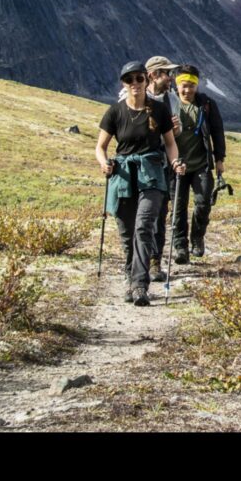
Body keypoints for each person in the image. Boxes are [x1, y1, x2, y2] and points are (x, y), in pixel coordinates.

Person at [96, 61, 186, 306]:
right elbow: (100, 147)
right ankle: (130, 277)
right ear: (124, 83)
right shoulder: (115, 112)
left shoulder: (158, 110)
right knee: (126, 233)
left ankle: (139, 285)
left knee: (144, 227)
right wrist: (104, 163)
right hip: (123, 176)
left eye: (138, 78)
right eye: (129, 80)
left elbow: (169, 142)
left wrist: (176, 162)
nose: (134, 83)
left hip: (152, 174)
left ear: (146, 80)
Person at [117, 56, 182, 282]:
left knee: (159, 214)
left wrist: (176, 130)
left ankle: (154, 261)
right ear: (153, 75)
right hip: (137, 166)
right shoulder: (131, 97)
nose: (171, 78)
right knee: (137, 217)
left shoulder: (172, 99)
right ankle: (134, 264)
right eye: (166, 73)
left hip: (162, 164)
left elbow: (174, 136)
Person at [170, 64, 226, 264]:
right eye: (184, 86)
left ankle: (197, 238)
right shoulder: (169, 104)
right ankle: (180, 247)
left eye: (191, 86)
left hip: (201, 164)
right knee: (178, 207)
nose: (187, 90)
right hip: (176, 166)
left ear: (197, 85)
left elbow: (217, 132)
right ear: (177, 85)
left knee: (203, 203)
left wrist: (219, 159)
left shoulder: (207, 104)